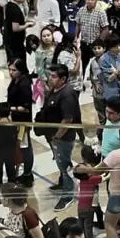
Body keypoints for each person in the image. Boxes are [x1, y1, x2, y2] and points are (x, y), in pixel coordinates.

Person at [40, 64, 82, 211]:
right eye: (50, 75)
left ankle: (68, 195)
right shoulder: (55, 89)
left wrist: (57, 137)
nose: (50, 79)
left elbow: (67, 120)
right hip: (53, 135)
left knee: (65, 165)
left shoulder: (67, 95)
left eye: (53, 77)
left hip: (63, 138)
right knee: (60, 162)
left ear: (63, 79)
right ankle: (63, 183)